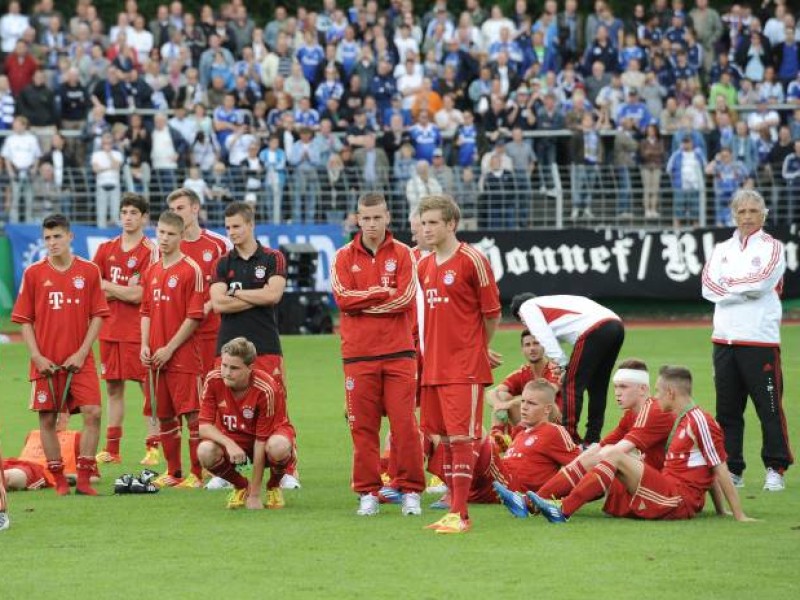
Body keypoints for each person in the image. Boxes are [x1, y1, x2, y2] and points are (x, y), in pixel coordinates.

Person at [528, 366, 754, 523]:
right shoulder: (682, 419)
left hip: (677, 499)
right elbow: (707, 465)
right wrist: (720, 511)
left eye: (658, 391)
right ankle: (538, 502)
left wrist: (737, 514)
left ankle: (562, 509)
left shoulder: (699, 420)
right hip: (668, 489)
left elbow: (719, 467)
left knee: (614, 456)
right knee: (612, 456)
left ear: (671, 392)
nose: (655, 397)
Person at [331, 192, 424, 516]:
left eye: (376, 217)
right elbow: (342, 299)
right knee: (363, 427)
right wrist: (380, 293)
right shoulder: (343, 255)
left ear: (387, 218)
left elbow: (406, 299)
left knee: (405, 426)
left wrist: (364, 302)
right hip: (358, 355)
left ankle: (410, 489)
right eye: (365, 218)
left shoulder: (404, 254)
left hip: (399, 352)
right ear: (358, 219)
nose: (371, 224)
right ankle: (368, 492)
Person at [417, 194, 502, 534]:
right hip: (433, 367)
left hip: (463, 367)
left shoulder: (472, 259)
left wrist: (478, 348)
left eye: (433, 222)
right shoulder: (424, 265)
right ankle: (452, 508)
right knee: (446, 441)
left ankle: (461, 513)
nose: (426, 229)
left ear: (451, 224)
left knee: (462, 438)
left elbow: (491, 313)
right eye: (423, 223)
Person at [498, 359, 675, 517]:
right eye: (616, 387)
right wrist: (581, 461)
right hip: (644, 480)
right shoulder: (631, 415)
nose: (617, 393)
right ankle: (533, 501)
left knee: (608, 455)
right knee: (595, 454)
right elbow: (599, 447)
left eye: (624, 387)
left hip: (662, 489)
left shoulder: (654, 411)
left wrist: (583, 463)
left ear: (643, 388)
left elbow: (614, 452)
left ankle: (557, 507)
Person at [11, 214, 109, 496]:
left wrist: (82, 352)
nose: (52, 243)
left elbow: (98, 315)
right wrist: (37, 356)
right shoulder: (34, 273)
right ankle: (59, 478)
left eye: (57, 237)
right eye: (47, 238)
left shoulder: (89, 271)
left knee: (93, 412)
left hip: (81, 360)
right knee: (48, 419)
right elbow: (24, 320)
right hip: (46, 360)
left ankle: (85, 477)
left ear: (70, 237)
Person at [701, 189, 792, 492]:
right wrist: (741, 289)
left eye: (754, 211)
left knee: (768, 408)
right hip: (724, 340)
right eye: (742, 212)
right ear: (734, 215)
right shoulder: (721, 248)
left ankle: (776, 468)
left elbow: (763, 282)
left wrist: (730, 288)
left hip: (759, 340)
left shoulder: (773, 247)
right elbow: (708, 286)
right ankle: (734, 470)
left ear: (763, 215)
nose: (748, 217)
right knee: (727, 411)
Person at [209, 201, 300, 490]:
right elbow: (217, 303)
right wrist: (253, 296)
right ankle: (223, 470)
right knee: (226, 408)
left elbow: (273, 295)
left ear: (250, 225)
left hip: (265, 346)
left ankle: (287, 470)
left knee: (276, 408)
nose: (232, 232)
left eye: (237, 226)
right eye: (228, 227)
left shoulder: (273, 258)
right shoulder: (223, 263)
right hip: (227, 346)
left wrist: (235, 293)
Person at [93, 194, 161, 466]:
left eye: (134, 212)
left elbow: (139, 296)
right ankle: (112, 449)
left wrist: (109, 287)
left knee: (148, 390)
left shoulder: (150, 251)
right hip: (109, 330)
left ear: (144, 217)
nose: (128, 217)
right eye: (125, 212)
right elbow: (93, 288)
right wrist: (121, 290)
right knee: (113, 390)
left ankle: (153, 446)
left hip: (138, 332)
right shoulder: (106, 248)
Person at [139, 210, 206, 488]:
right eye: (161, 233)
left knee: (192, 414)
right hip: (155, 356)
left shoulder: (192, 270)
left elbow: (193, 317)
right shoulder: (152, 270)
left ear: (181, 236)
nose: (164, 238)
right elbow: (145, 311)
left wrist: (169, 347)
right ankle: (174, 471)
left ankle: (197, 474)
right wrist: (144, 344)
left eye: (170, 234)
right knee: (163, 414)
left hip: (182, 355)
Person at [510, 293, 624, 445]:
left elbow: (545, 337)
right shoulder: (553, 302)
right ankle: (592, 439)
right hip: (616, 325)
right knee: (598, 387)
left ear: (520, 315)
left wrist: (563, 365)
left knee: (571, 385)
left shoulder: (527, 307)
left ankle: (568, 437)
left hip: (594, 329)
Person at [198, 337, 295, 510]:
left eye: (234, 368)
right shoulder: (213, 380)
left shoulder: (265, 389)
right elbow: (204, 426)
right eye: (224, 365)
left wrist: (255, 496)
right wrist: (229, 444)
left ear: (250, 368)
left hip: (268, 438)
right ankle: (241, 486)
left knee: (278, 446)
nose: (226, 372)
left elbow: (260, 441)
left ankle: (273, 486)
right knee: (205, 451)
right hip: (236, 438)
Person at [166, 188, 232, 377]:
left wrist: (209, 305)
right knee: (186, 398)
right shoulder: (166, 246)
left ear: (195, 208)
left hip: (212, 331)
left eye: (180, 208)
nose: (175, 214)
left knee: (215, 388)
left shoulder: (219, 244)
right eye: (172, 210)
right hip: (177, 334)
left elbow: (232, 283)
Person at [486, 330, 562, 435]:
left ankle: (514, 436)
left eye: (536, 343)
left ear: (544, 346)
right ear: (523, 350)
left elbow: (543, 395)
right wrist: (498, 405)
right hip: (531, 419)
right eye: (527, 345)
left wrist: (509, 404)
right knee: (502, 395)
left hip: (555, 421)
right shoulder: (523, 372)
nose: (532, 348)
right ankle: (497, 435)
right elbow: (491, 393)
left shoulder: (555, 370)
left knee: (525, 403)